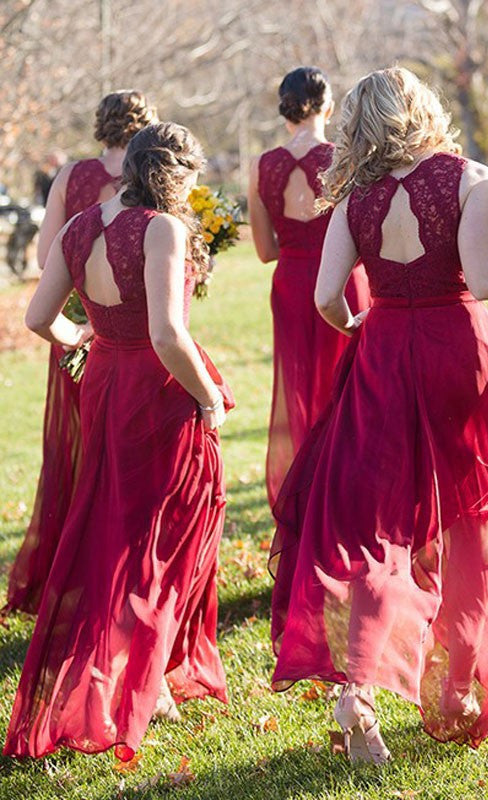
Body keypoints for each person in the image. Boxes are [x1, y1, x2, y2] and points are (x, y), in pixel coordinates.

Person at [268, 68, 488, 762]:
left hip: (384, 353)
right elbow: (482, 279)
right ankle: (453, 687)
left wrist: (363, 322)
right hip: (461, 353)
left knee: (374, 528)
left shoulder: (353, 195)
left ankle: (356, 688)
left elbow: (327, 297)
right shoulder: (466, 176)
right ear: (419, 107)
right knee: (470, 518)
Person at [4, 122, 233, 760]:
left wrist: (82, 339)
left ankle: (140, 667)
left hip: (103, 380)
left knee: (117, 521)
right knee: (172, 525)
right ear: (175, 172)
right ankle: (145, 673)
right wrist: (209, 396)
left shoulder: (79, 227)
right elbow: (167, 333)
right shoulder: (163, 228)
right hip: (155, 387)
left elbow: (36, 318)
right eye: (192, 176)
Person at [6, 90, 157, 614]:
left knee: (75, 449)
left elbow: (50, 255)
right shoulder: (153, 176)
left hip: (74, 319)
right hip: (135, 333)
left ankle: (69, 573)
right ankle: (117, 572)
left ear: (101, 125)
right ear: (146, 127)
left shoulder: (71, 176)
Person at [248, 66, 370, 507]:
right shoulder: (347, 158)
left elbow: (264, 250)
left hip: (292, 283)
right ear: (329, 107)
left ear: (285, 110)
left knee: (299, 387)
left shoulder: (263, 165)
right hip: (345, 282)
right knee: (351, 381)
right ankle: (351, 483)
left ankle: (305, 489)